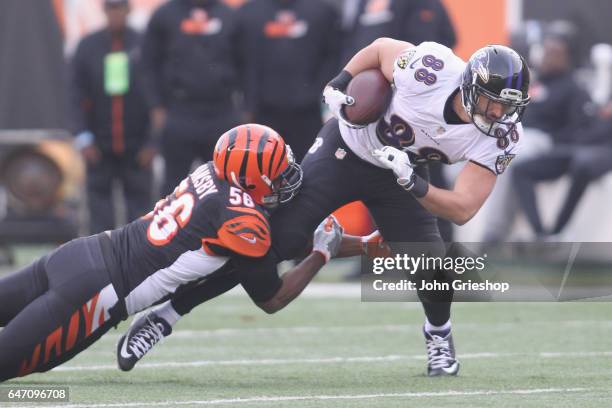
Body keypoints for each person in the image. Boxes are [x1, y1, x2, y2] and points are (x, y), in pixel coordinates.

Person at [116, 38, 531, 377]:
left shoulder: (501, 135)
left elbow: (461, 209)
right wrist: (341, 80)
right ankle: (165, 315)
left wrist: (412, 181)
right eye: (493, 102)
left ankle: (438, 336)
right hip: (346, 149)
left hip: (400, 173)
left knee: (433, 266)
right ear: (471, 85)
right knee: (265, 245)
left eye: (507, 106)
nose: (498, 114)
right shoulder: (433, 68)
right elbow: (383, 49)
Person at [0, 124, 360, 382]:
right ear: (252, 180)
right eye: (278, 173)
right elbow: (271, 298)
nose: (286, 178)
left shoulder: (210, 172)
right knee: (23, 371)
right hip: (97, 292)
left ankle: (163, 318)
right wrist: (321, 254)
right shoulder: (243, 222)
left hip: (80, 253)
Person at [481, 33, 591, 243]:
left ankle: (495, 231)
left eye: (555, 53)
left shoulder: (572, 88)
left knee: (505, 158)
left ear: (567, 57)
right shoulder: (532, 81)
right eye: (546, 51)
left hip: (543, 141)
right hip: (514, 133)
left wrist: (553, 141)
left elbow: (577, 128)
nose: (548, 57)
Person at [140, 0, 244, 196]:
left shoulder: (230, 15)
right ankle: (169, 225)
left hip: (221, 111)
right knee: (173, 185)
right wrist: (155, 105)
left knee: (227, 182)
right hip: (180, 111)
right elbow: (148, 65)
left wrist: (246, 107)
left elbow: (246, 63)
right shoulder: (165, 15)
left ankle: (225, 225)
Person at [71, 0, 154, 233]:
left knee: (141, 218)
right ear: (104, 11)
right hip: (99, 147)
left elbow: (156, 97)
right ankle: (100, 265)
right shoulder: (88, 46)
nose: (115, 13)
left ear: (128, 10)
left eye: (119, 8)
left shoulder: (144, 44)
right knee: (99, 217)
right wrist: (83, 137)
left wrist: (152, 142)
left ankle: (139, 265)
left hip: (137, 148)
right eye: (111, 8)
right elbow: (75, 95)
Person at [237, 0, 341, 161]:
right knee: (263, 169)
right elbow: (242, 60)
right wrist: (248, 103)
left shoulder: (322, 11)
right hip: (264, 111)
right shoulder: (249, 12)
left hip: (307, 112)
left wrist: (317, 90)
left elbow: (334, 55)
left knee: (308, 168)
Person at [512, 102, 612, 238]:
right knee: (521, 170)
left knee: (582, 164)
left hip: (603, 152)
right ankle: (540, 233)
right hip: (576, 147)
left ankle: (558, 230)